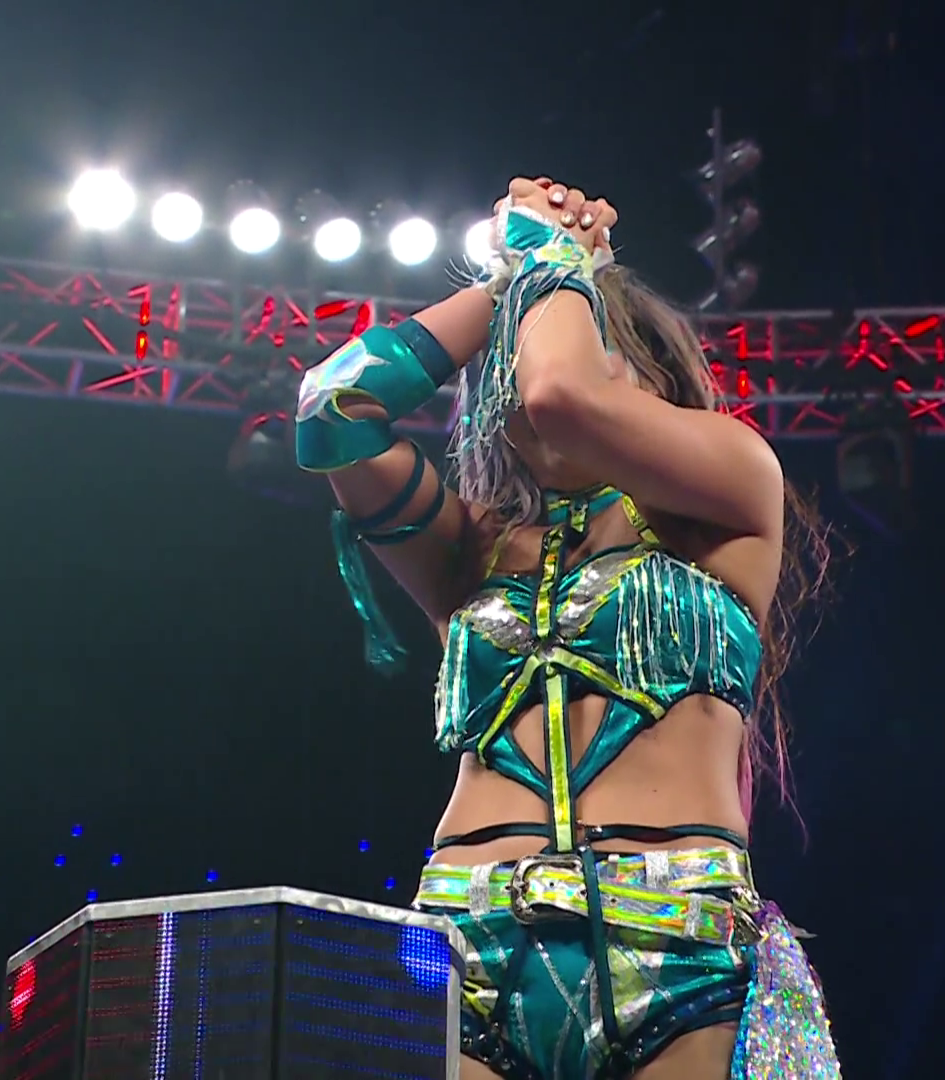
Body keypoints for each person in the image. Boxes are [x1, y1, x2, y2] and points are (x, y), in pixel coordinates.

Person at [294, 177, 840, 1079]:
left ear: (650, 377)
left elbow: (562, 396)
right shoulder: (468, 550)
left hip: (678, 948)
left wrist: (557, 253)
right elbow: (330, 411)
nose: (524, 372)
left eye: (570, 331)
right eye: (511, 356)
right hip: (467, 946)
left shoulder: (734, 487)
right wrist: (504, 285)